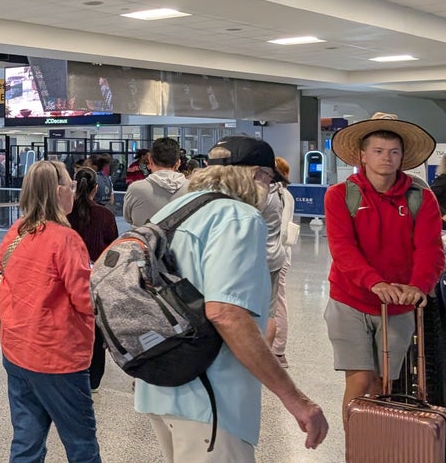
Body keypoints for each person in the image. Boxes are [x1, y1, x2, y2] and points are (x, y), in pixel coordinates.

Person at [136, 136, 328, 461]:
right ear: (256, 175)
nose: (268, 189)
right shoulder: (238, 217)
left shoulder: (178, 208)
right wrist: (296, 400)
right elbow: (226, 313)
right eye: (268, 179)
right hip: (211, 397)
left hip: (159, 385)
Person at [325, 113, 444, 426]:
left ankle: (377, 448)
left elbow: (430, 248)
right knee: (360, 380)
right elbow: (342, 248)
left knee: (383, 385)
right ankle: (357, 449)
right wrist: (374, 282)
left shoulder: (421, 197)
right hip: (349, 300)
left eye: (393, 152)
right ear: (363, 156)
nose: (386, 158)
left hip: (399, 304)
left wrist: (419, 285)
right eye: (378, 151)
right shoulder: (340, 195)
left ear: (403, 157)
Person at [0, 160, 100, 462]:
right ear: (59, 192)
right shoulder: (66, 240)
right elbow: (85, 300)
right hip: (58, 357)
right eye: (71, 185)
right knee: (81, 443)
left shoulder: (16, 231)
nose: (73, 191)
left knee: (26, 440)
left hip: (17, 350)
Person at [65, 166, 118, 394]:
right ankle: (94, 378)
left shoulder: (64, 214)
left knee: (68, 323)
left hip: (67, 278)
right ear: (96, 189)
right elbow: (114, 247)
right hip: (97, 279)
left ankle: (68, 369)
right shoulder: (105, 215)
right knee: (95, 328)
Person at [262, 156, 296, 368]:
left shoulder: (272, 195)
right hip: (281, 253)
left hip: (273, 255)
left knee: (275, 306)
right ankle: (277, 349)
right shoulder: (287, 195)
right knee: (275, 305)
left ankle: (278, 351)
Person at [122, 137, 186, 226]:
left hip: (144, 239)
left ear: (150, 161)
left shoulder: (135, 189)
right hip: (181, 240)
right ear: (178, 163)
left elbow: (128, 218)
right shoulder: (194, 189)